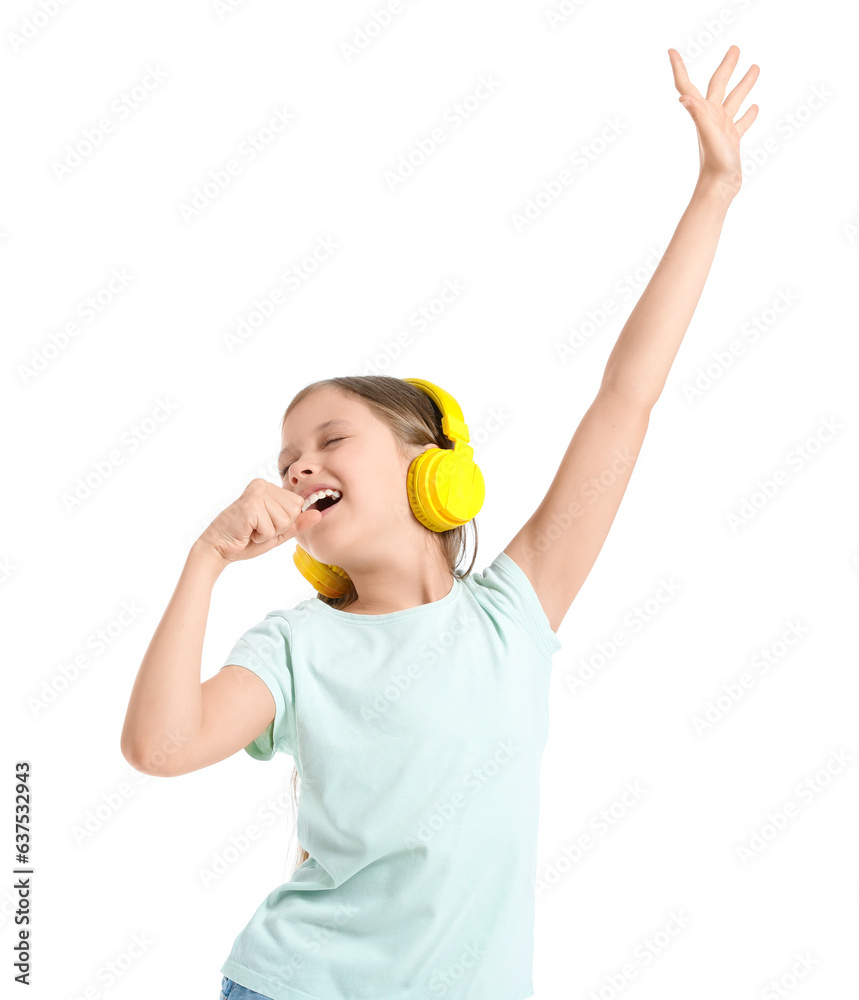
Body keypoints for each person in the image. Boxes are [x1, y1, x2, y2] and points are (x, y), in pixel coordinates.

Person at [120, 44, 760, 1000]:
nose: (299, 466)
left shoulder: (513, 611)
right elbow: (160, 748)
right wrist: (206, 560)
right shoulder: (294, 649)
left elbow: (626, 397)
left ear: (434, 475)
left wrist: (711, 192)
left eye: (331, 440)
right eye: (288, 457)